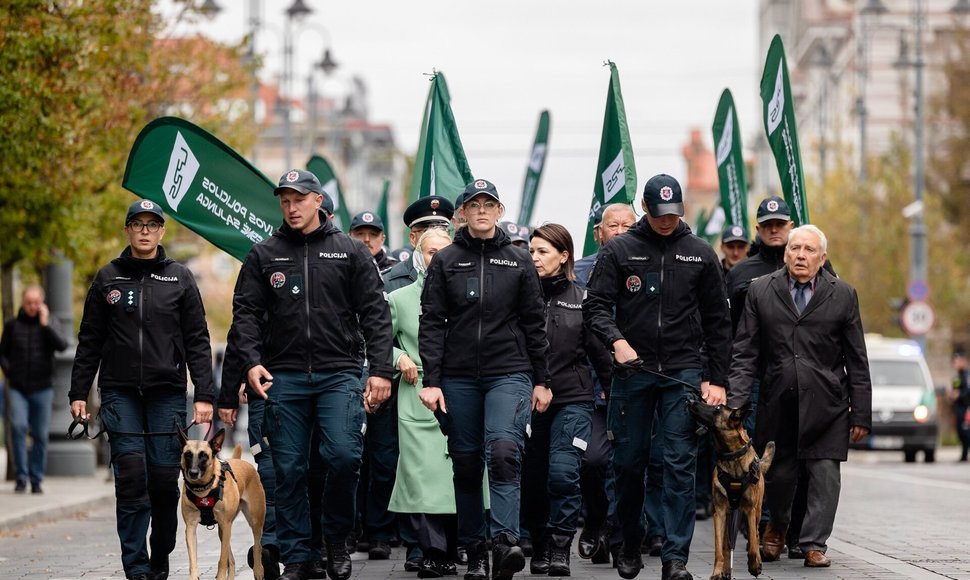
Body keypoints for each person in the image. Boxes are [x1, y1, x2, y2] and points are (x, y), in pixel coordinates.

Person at [222, 169, 393, 580]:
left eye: (299, 199)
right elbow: (245, 315)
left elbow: (375, 314)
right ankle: (299, 554)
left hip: (339, 374)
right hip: (284, 377)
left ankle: (335, 538)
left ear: (319, 201)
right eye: (285, 200)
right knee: (289, 468)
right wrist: (249, 362)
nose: (291, 207)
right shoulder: (264, 254)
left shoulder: (350, 251)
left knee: (344, 456)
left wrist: (381, 372)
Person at [584, 174, 732, 580]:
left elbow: (719, 323)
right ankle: (629, 542)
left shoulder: (700, 253)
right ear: (645, 209)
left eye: (674, 214)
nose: (667, 221)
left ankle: (675, 559)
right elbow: (594, 307)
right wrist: (616, 341)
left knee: (679, 464)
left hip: (682, 372)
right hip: (634, 371)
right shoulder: (620, 250)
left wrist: (715, 379)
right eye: (659, 214)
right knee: (630, 464)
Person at [69, 199, 215, 580]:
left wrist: (204, 394)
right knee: (131, 478)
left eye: (153, 224)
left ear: (162, 231)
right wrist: (78, 392)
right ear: (128, 231)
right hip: (120, 393)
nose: (145, 230)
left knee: (166, 483)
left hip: (167, 393)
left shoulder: (180, 278)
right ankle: (136, 567)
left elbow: (198, 339)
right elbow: (90, 340)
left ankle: (161, 555)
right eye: (138, 224)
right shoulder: (107, 278)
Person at [418, 179, 548, 580]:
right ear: (462, 213)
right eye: (473, 204)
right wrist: (432, 380)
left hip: (509, 372)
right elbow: (431, 324)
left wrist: (541, 380)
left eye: (488, 204)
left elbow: (534, 323)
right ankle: (474, 550)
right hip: (457, 377)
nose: (481, 211)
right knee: (467, 463)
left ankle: (504, 542)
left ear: (499, 210)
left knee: (505, 452)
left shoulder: (518, 259)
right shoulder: (445, 260)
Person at [728, 224, 872, 568]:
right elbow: (745, 352)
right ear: (786, 253)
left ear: (822, 258)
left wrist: (861, 413)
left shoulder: (844, 295)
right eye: (795, 249)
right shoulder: (761, 290)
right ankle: (777, 525)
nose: (801, 256)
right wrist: (736, 401)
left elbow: (857, 358)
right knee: (778, 474)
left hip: (828, 403)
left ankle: (813, 543)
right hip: (778, 400)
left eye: (809, 250)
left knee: (824, 474)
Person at [521, 224, 613, 577]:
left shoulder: (583, 298)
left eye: (543, 252)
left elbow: (601, 356)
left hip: (573, 399)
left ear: (564, 256)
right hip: (526, 399)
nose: (535, 258)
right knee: (531, 480)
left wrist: (615, 398)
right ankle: (540, 544)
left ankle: (560, 547)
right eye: (531, 251)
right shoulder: (519, 297)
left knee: (562, 473)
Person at [387, 227, 461, 578]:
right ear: (418, 254)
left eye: (444, 251)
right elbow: (374, 341)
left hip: (461, 391)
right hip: (416, 395)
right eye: (432, 252)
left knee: (459, 473)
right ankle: (432, 551)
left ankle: (455, 545)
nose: (439, 259)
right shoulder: (399, 298)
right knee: (421, 476)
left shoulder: (469, 294)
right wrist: (399, 356)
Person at [573, 202, 636, 565]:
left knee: (630, 464)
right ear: (599, 232)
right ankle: (595, 519)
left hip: (634, 382)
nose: (621, 231)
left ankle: (619, 536)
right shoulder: (578, 273)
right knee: (593, 461)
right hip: (589, 384)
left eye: (629, 225)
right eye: (613, 225)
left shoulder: (647, 268)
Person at [1, 285, 68, 494]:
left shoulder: (50, 323)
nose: (32, 306)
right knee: (18, 428)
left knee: (40, 434)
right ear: (23, 302)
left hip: (43, 387)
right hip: (18, 387)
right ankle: (21, 478)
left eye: (36, 303)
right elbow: (2, 353)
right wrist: (10, 373)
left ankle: (36, 479)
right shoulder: (12, 325)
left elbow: (62, 346)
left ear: (42, 303)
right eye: (29, 303)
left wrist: (45, 324)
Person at [950, 351, 970, 462]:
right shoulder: (957, 376)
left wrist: (959, 394)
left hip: (966, 407)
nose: (956, 363)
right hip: (958, 408)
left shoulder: (967, 376)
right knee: (960, 431)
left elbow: (968, 390)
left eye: (958, 361)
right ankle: (964, 454)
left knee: (966, 431)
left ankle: (965, 454)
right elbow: (955, 388)